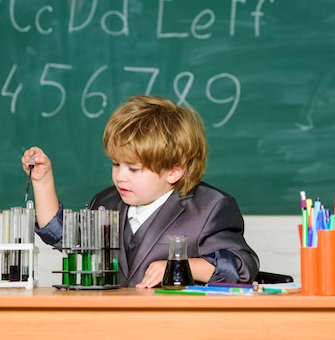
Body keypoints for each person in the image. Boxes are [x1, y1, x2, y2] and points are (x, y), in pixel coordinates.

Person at [21, 95, 259, 288]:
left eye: (133, 169)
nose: (120, 176)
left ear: (174, 171)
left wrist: (178, 264)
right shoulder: (107, 201)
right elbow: (64, 236)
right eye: (116, 164)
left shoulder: (210, 207)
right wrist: (42, 182)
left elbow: (242, 267)